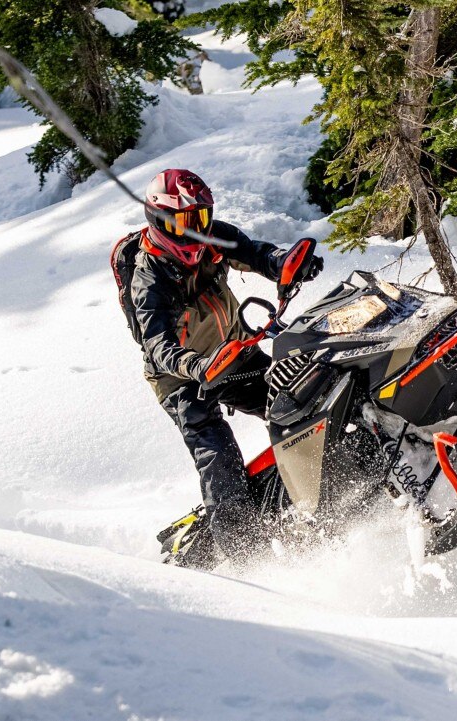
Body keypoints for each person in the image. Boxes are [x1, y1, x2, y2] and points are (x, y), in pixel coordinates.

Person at [130, 169, 323, 560]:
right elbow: (157, 346)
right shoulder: (148, 279)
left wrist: (287, 264)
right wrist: (198, 367)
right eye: (188, 221)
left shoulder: (211, 236)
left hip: (234, 354)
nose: (199, 229)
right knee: (220, 462)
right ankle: (243, 562)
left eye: (203, 217)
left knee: (299, 401)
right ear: (162, 220)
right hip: (182, 381)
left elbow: (256, 254)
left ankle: (315, 485)